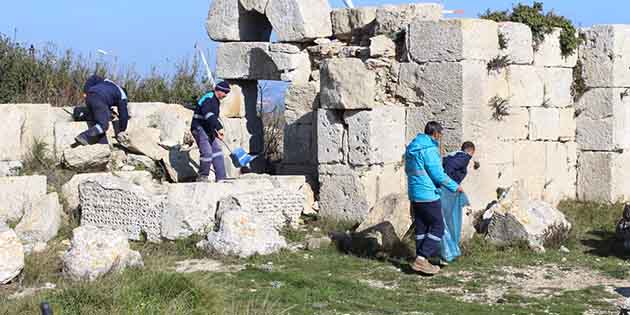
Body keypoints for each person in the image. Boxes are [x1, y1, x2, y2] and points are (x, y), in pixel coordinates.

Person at [405, 121, 462, 275]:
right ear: (436, 134)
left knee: (422, 227)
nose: (440, 138)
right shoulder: (429, 149)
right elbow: (437, 174)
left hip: (415, 193)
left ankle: (421, 260)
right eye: (440, 135)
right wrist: (454, 186)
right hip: (428, 194)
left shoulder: (412, 148)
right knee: (438, 226)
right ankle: (422, 259)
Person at [438, 141, 475, 264]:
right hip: (449, 190)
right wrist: (452, 184)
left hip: (445, 189)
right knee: (449, 220)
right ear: (471, 151)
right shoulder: (464, 157)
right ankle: (448, 251)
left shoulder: (453, 155)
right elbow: (449, 170)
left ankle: (445, 250)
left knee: (445, 219)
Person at [191, 81, 231, 182]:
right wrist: (219, 127)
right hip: (199, 128)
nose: (226, 95)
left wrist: (216, 132)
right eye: (225, 92)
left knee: (217, 152)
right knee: (207, 152)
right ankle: (202, 176)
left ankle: (221, 178)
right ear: (219, 90)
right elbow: (208, 114)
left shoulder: (216, 100)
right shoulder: (208, 98)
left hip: (208, 129)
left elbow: (211, 119)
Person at [75, 75, 129, 145]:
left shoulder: (109, 83)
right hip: (99, 99)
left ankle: (103, 144)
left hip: (90, 95)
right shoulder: (123, 96)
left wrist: (86, 91)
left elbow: (94, 77)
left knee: (98, 120)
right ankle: (84, 136)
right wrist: (122, 130)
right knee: (103, 125)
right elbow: (124, 115)